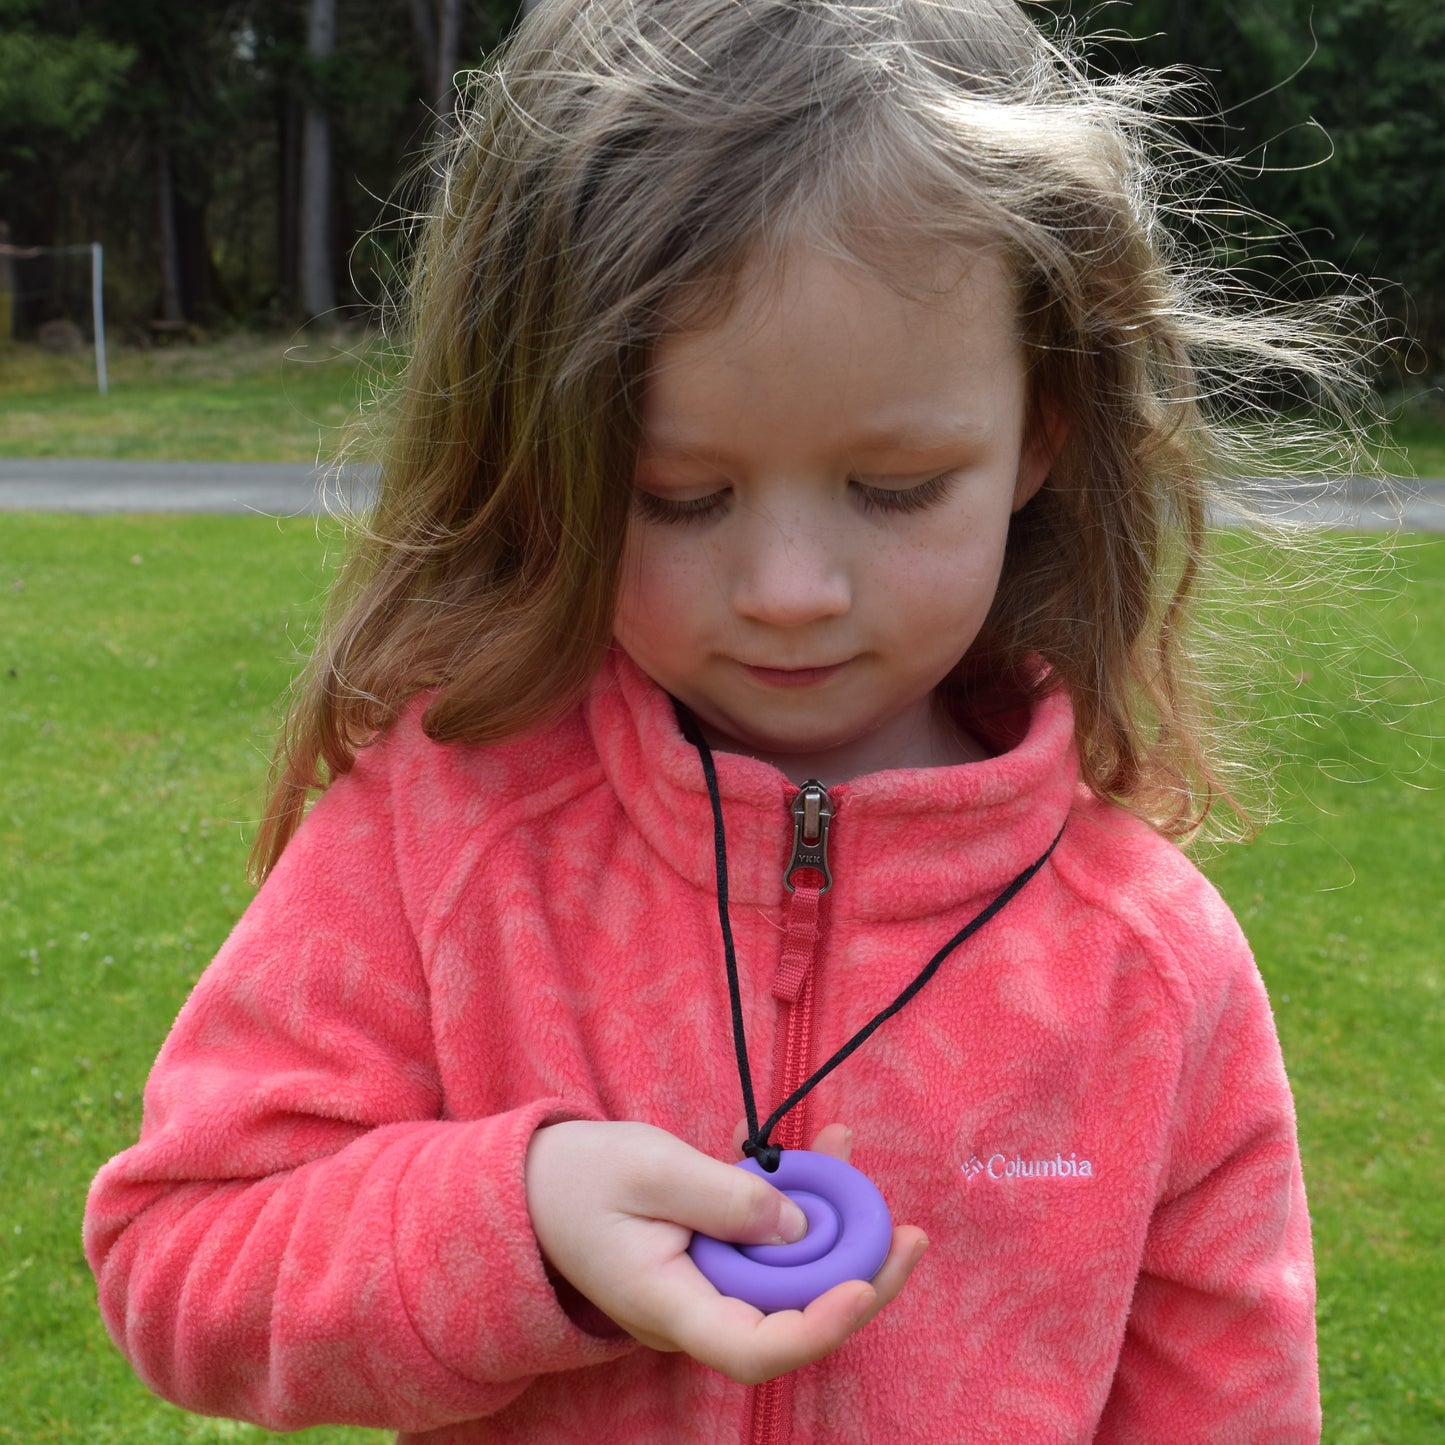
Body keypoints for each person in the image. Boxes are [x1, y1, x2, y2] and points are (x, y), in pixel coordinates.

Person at [85, 1, 1373, 1439]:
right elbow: (182, 1247)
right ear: (539, 453)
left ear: (1043, 428)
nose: (788, 591)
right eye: (677, 495)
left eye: (893, 488)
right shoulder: (444, 828)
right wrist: (518, 1218)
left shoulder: (1151, 970)